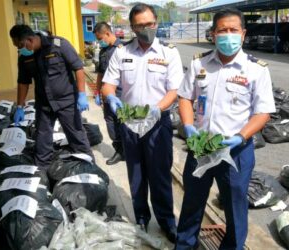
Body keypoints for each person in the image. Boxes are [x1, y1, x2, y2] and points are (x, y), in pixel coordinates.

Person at [175, 8, 276, 250]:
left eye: (233, 30)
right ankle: (185, 245)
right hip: (200, 147)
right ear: (213, 34)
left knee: (235, 207)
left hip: (235, 152)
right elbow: (185, 97)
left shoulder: (256, 69)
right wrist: (188, 125)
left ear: (243, 34)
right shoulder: (199, 62)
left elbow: (263, 112)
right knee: (192, 202)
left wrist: (241, 136)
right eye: (222, 30)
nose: (228, 35)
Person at [102, 3, 183, 243]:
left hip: (158, 124)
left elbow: (174, 91)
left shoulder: (169, 53)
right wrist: (112, 99)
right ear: (133, 27)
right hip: (129, 123)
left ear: (156, 23)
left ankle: (167, 222)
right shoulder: (122, 52)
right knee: (136, 175)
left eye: (149, 24)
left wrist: (156, 110)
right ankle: (141, 218)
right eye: (139, 25)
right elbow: (108, 84)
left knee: (159, 175)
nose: (145, 28)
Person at [10, 24, 93, 168]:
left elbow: (78, 68)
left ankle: (89, 168)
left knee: (77, 136)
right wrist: (20, 106)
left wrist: (82, 94)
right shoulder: (24, 57)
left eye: (20, 45)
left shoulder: (59, 45)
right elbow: (23, 82)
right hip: (44, 104)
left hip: (66, 101)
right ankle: (43, 173)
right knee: (42, 142)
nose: (19, 49)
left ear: (29, 39)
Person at [93, 22, 125, 165]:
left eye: (100, 38)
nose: (99, 42)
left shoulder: (124, 49)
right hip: (107, 95)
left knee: (124, 123)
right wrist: (97, 91)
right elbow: (100, 73)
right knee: (110, 122)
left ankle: (127, 151)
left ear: (107, 33)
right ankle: (119, 150)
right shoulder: (103, 51)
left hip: (121, 95)